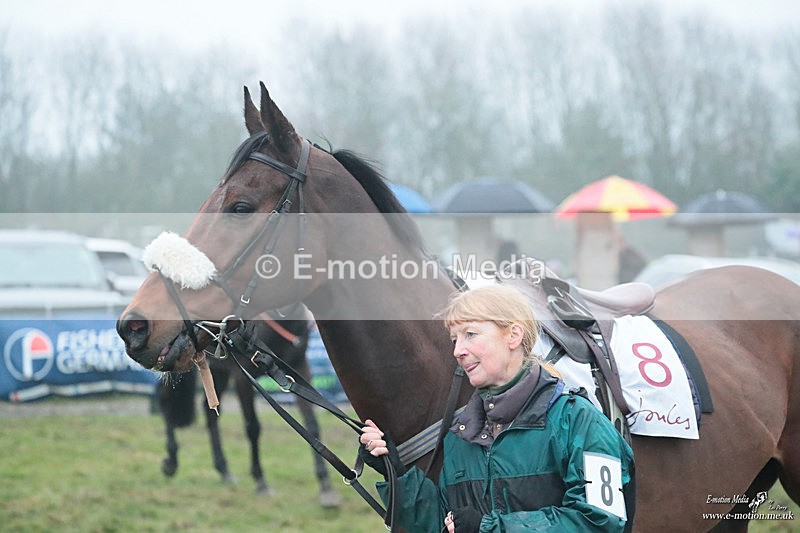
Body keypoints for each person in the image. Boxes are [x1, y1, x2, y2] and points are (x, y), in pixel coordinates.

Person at [359, 284, 634, 532]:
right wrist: (395, 474)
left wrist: (488, 529)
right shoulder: (461, 435)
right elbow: (444, 523)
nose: (458, 350)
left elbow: (599, 521)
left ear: (513, 335)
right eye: (455, 339)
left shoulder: (580, 421)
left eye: (470, 334)